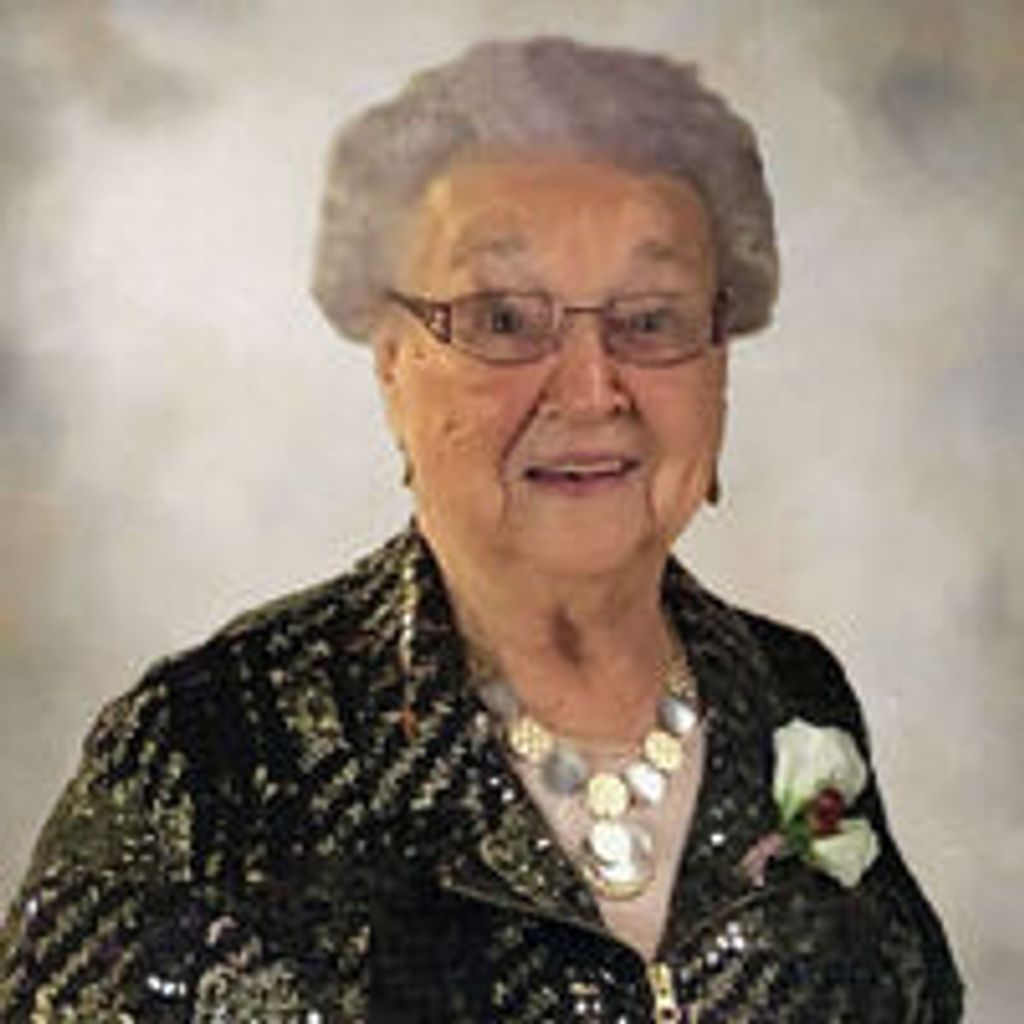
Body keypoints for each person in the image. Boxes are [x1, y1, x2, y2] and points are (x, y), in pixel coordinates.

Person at [0, 37, 962, 1022]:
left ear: (718, 358)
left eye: (650, 318)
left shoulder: (791, 691)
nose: (592, 390)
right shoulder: (209, 753)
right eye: (503, 319)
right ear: (391, 361)